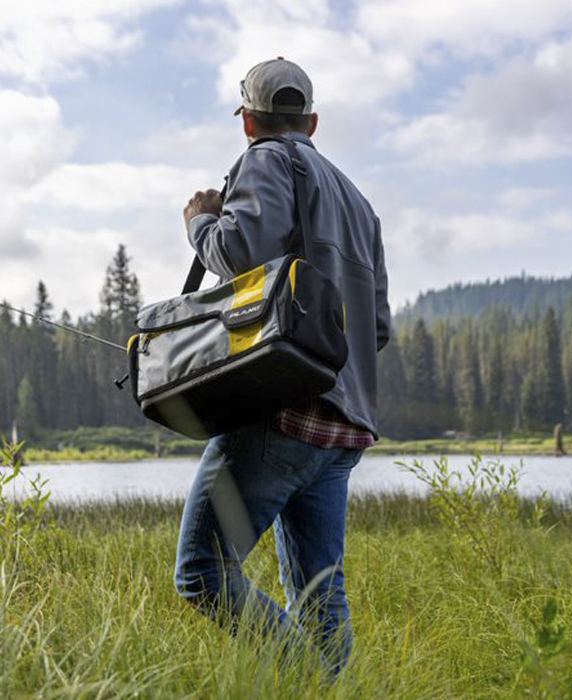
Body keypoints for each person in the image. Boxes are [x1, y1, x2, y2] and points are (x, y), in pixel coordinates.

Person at [174, 57, 391, 674]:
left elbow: (236, 250)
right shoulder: (360, 201)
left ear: (248, 122)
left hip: (280, 414)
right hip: (341, 427)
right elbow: (374, 329)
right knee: (323, 595)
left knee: (202, 573)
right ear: (313, 121)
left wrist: (200, 222)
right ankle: (330, 687)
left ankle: (304, 676)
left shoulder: (265, 159)